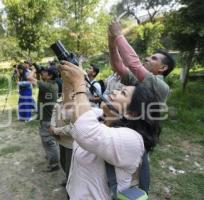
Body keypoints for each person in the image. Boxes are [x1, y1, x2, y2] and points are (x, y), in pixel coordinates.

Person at [58, 61, 161, 199]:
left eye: (123, 93)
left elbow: (85, 131)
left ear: (132, 113)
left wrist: (79, 83)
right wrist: (67, 81)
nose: (114, 91)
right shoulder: (99, 116)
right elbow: (70, 109)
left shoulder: (132, 140)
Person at [109, 21, 175, 103]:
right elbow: (119, 67)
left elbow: (134, 65)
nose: (147, 58)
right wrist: (112, 42)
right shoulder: (138, 80)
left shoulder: (162, 87)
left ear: (163, 68)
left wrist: (118, 35)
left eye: (154, 58)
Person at [27, 67, 60, 172]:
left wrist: (33, 70)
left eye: (45, 72)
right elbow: (35, 83)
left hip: (47, 119)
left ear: (50, 76)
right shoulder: (50, 84)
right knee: (48, 141)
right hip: (46, 118)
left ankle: (54, 164)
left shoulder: (48, 86)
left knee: (49, 142)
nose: (42, 73)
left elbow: (29, 78)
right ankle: (51, 157)